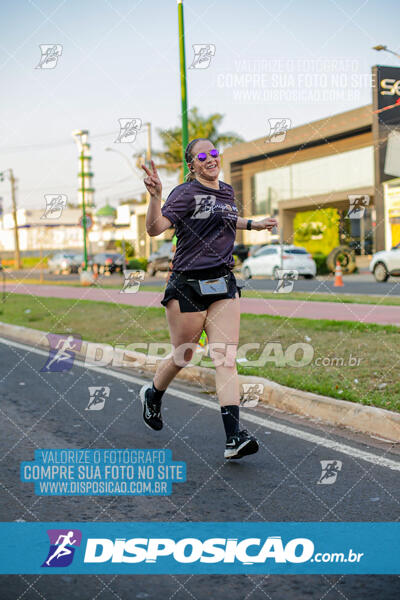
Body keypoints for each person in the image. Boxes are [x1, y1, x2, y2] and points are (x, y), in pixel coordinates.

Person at [140, 138, 277, 459]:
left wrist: (253, 224)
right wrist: (156, 198)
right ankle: (153, 395)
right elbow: (155, 228)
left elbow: (224, 217)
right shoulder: (184, 193)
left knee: (225, 358)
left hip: (223, 283)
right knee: (183, 355)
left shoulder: (226, 191)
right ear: (193, 165)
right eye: (202, 156)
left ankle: (234, 438)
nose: (210, 158)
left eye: (214, 152)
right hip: (188, 284)